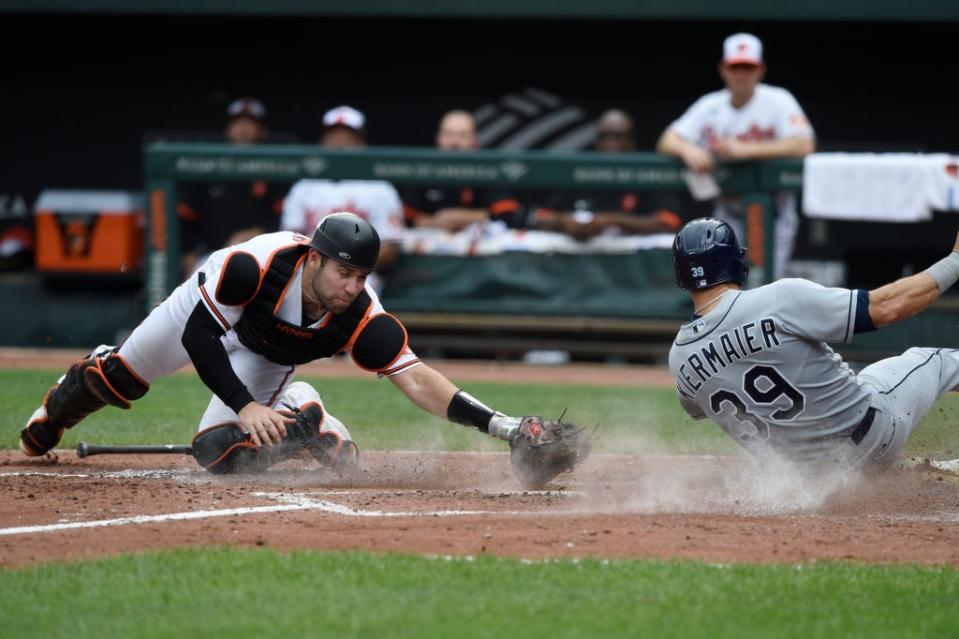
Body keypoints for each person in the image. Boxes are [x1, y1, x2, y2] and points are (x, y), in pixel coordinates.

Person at [21, 213, 560, 477]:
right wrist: (246, 405)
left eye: (362, 276)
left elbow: (418, 380)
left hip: (270, 356)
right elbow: (199, 338)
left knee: (220, 454)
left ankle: (310, 417)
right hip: (206, 313)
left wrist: (504, 426)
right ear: (314, 259)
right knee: (119, 379)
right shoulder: (250, 267)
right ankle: (54, 413)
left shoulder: (360, 315)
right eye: (344, 272)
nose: (353, 287)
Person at [668, 217, 959, 470]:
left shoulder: (679, 357)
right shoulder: (777, 299)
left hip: (810, 483)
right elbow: (887, 308)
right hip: (872, 439)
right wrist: (954, 262)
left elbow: (698, 408)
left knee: (867, 379)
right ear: (734, 260)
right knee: (937, 361)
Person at [656, 33, 815, 279]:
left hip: (773, 214)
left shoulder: (778, 100)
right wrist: (688, 149)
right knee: (725, 288)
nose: (741, 74)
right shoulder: (710, 105)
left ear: (760, 70)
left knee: (766, 288)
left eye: (748, 67)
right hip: (726, 212)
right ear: (723, 69)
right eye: (735, 66)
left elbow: (805, 144)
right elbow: (666, 139)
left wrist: (747, 149)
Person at [281, 106, 404, 293]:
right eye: (333, 136)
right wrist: (322, 270)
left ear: (361, 143)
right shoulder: (303, 186)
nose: (339, 142)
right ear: (322, 141)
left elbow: (389, 249)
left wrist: (347, 268)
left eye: (347, 136)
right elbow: (290, 241)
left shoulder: (380, 188)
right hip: (310, 273)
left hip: (360, 279)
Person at [176, 97, 286, 277]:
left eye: (250, 124)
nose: (243, 129)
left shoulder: (277, 171)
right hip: (210, 256)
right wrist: (189, 256)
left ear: (263, 131)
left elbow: (282, 220)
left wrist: (253, 235)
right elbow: (186, 219)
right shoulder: (206, 168)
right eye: (237, 123)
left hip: (261, 256)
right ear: (227, 129)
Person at [531, 109, 682, 240]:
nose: (611, 143)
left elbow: (669, 222)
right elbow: (541, 217)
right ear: (596, 142)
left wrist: (611, 221)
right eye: (604, 137)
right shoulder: (579, 172)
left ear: (631, 142)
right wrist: (564, 222)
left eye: (618, 136)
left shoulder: (647, 173)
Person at [401, 110, 523, 231]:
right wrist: (436, 222)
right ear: (438, 137)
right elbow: (407, 215)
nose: (454, 143)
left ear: (474, 139)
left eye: (462, 135)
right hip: (431, 242)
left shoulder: (488, 167)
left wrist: (462, 217)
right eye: (448, 134)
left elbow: (506, 213)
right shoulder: (424, 168)